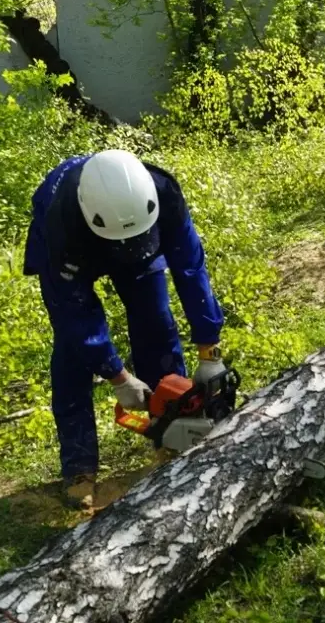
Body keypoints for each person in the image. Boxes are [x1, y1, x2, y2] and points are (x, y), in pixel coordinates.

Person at [23, 149, 225, 510]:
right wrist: (117, 376)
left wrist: (210, 349)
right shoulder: (61, 224)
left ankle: (172, 433)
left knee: (156, 324)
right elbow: (75, 314)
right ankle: (80, 468)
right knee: (72, 356)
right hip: (79, 245)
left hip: (137, 234)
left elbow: (190, 267)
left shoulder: (163, 192)